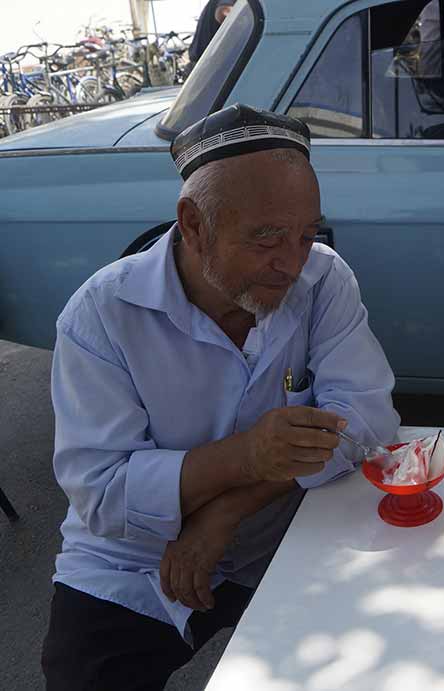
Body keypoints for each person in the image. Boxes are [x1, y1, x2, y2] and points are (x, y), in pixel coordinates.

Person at [41, 104, 400, 691]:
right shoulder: (101, 315)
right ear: (193, 223)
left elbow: (367, 422)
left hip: (277, 537)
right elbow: (101, 494)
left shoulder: (323, 279)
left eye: (307, 235)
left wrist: (225, 511)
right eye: (266, 239)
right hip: (134, 560)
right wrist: (245, 456)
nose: (290, 263)